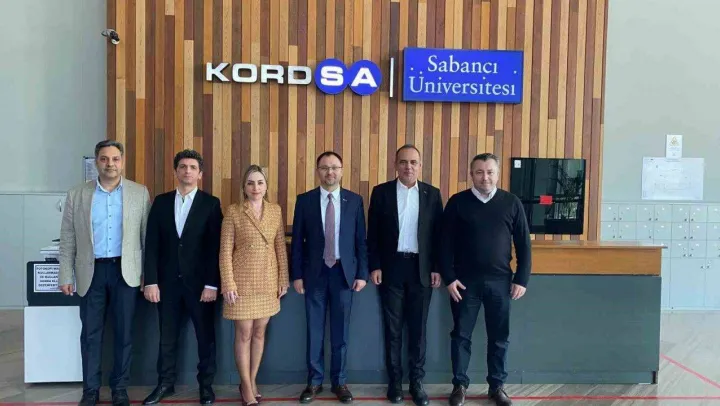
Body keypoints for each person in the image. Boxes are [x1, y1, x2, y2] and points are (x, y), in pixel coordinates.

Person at [58, 140, 151, 406]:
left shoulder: (139, 193)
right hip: (91, 273)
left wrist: (148, 276)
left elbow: (146, 238)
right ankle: (90, 390)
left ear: (122, 161)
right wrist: (66, 275)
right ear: (96, 162)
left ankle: (120, 389)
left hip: (126, 273)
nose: (110, 164)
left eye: (115, 159)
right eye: (104, 159)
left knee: (124, 334)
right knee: (90, 334)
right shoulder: (77, 194)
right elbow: (68, 238)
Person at [440, 153, 532, 406]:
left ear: (498, 174)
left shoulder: (511, 203)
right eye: (479, 172)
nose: (485, 177)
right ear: (471, 174)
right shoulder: (457, 202)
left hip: (501, 283)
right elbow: (444, 243)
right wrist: (449, 278)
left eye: (490, 172)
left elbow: (523, 244)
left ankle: (497, 386)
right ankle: (459, 385)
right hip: (464, 283)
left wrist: (522, 279)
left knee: (499, 337)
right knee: (461, 336)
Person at [141, 150, 223, 405]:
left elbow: (215, 247)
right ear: (175, 171)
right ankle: (165, 384)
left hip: (201, 286)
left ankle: (206, 386)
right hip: (167, 285)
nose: (187, 171)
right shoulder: (161, 202)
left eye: (193, 167)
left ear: (200, 174)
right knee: (167, 338)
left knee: (205, 338)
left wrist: (212, 284)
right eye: (183, 166)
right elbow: (151, 244)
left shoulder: (211, 204)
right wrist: (151, 281)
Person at [367, 144, 443, 406]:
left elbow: (439, 235)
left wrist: (436, 267)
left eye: (413, 162)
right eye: (403, 162)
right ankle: (395, 383)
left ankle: (417, 383)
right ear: (395, 165)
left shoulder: (432, 194)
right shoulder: (381, 193)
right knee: (393, 329)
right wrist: (375, 265)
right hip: (391, 269)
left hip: (421, 270)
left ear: (420, 166)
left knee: (418, 330)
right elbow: (372, 234)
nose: (408, 166)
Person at [290, 151, 369, 404]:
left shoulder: (354, 201)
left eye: (334, 167)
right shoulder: (305, 200)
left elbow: (361, 240)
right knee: (314, 331)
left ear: (342, 171)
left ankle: (339, 381)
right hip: (314, 275)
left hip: (344, 275)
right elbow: (297, 242)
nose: (330, 172)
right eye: (324, 168)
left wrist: (362, 273)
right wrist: (297, 275)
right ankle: (314, 382)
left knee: (340, 333)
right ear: (318, 171)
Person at [219, 165, 289, 406]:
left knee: (260, 332)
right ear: (244, 187)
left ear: (266, 186)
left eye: (260, 182)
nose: (255, 187)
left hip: (267, 280)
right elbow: (225, 250)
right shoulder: (234, 211)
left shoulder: (275, 211)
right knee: (244, 333)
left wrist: (283, 278)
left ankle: (251, 380)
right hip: (241, 282)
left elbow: (280, 246)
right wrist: (228, 282)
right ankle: (246, 386)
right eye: (250, 183)